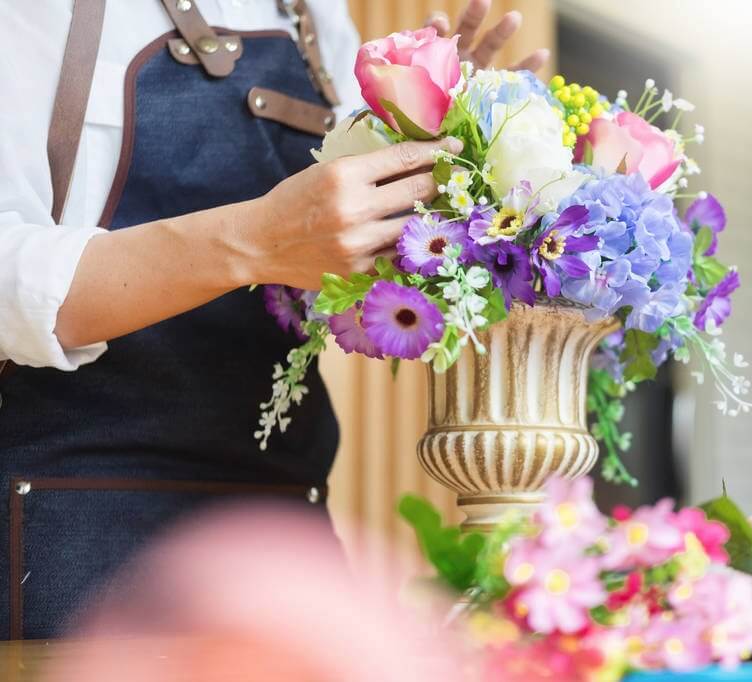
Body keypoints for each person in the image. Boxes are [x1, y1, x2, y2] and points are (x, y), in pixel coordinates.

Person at [0, 0, 548, 640]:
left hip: (285, 518)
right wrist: (252, 241)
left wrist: (442, 157)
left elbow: (353, 242)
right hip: (65, 525)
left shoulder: (314, 15)